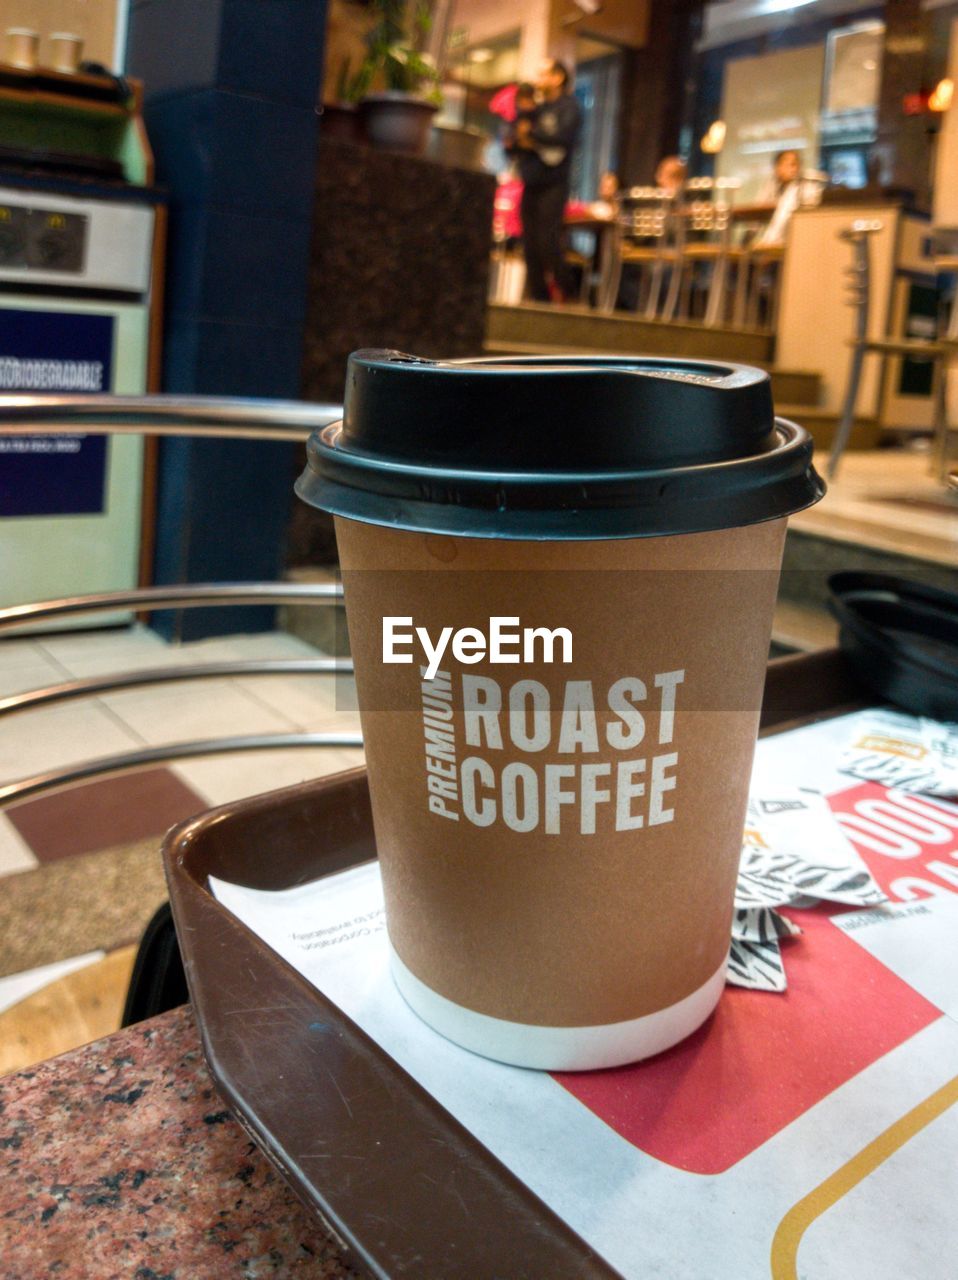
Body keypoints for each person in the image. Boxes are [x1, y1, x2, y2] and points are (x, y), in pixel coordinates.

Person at [514, 59, 583, 303]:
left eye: (543, 74)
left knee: (547, 241)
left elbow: (562, 139)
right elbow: (517, 142)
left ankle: (570, 294)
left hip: (554, 183)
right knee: (530, 244)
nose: (538, 79)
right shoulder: (536, 109)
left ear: (558, 78)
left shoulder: (570, 107)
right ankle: (538, 299)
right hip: (531, 180)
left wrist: (531, 136)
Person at [754, 149, 823, 247]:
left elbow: (782, 220)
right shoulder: (771, 185)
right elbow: (758, 211)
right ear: (777, 167)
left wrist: (767, 244)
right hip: (777, 244)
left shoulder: (803, 187)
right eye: (788, 164)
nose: (793, 169)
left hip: (796, 244)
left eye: (795, 164)